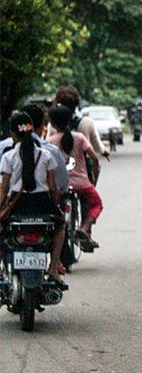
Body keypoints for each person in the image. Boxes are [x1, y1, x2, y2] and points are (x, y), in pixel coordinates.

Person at [0, 112, 66, 281]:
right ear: (31, 130)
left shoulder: (8, 157)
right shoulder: (45, 155)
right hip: (42, 204)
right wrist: (56, 205)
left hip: (17, 205)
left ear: (12, 133)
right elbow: (52, 187)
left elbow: (4, 188)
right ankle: (53, 268)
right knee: (60, 228)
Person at [47, 106, 103, 250]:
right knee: (97, 204)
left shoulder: (50, 141)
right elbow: (95, 160)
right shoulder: (79, 137)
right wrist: (93, 180)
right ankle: (85, 228)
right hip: (83, 184)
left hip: (60, 186)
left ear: (52, 124)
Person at [50, 85, 110, 169]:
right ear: (77, 103)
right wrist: (104, 151)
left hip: (60, 169)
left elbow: (47, 146)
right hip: (83, 169)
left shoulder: (53, 124)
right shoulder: (87, 122)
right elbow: (96, 144)